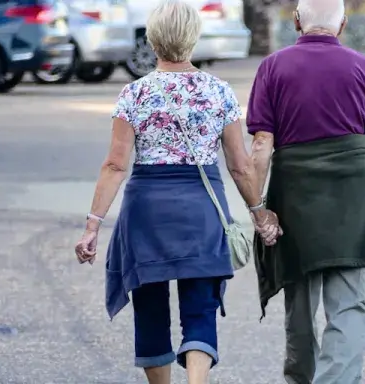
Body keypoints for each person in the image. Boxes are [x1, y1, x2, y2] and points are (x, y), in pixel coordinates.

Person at [73, 1, 280, 383]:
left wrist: (92, 226)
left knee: (150, 309)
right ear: (194, 38)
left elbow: (116, 166)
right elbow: (239, 165)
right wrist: (259, 211)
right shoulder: (218, 92)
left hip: (146, 211)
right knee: (200, 309)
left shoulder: (134, 94)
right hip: (201, 210)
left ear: (152, 40)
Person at [246, 0, 365, 382]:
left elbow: (261, 147)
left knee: (300, 304)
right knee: (350, 305)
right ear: (342, 26)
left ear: (296, 22)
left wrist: (258, 208)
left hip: (295, 197)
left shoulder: (272, 68)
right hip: (355, 198)